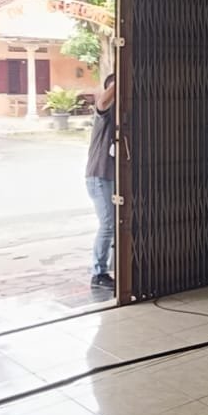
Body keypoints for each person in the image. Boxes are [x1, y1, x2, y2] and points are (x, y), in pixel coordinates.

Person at [85, 72, 117, 290]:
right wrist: (121, 81)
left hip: (111, 176)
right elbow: (103, 101)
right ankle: (99, 273)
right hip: (99, 175)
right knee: (108, 224)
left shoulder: (120, 113)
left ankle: (114, 266)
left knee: (116, 223)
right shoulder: (104, 113)